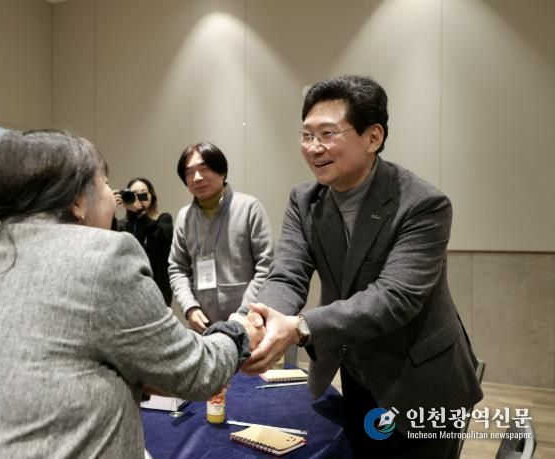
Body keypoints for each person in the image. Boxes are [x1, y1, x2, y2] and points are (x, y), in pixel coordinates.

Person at [0, 130, 263, 458]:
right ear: (78, 202)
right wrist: (239, 331)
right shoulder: (103, 255)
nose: (113, 197)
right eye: (106, 184)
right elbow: (196, 373)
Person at [241, 76, 483, 458]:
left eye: (327, 134)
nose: (313, 148)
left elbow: (394, 298)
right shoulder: (304, 201)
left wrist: (300, 328)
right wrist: (258, 320)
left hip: (422, 380)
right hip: (357, 371)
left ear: (373, 137)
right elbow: (287, 274)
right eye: (306, 135)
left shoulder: (423, 204)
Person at [168, 142, 274, 333]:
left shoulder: (249, 208)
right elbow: (177, 268)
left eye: (204, 169)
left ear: (222, 171)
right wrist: (190, 307)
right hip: (204, 327)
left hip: (248, 324)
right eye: (189, 172)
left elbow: (266, 266)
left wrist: (244, 314)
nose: (197, 177)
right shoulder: (185, 217)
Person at [114, 177, 173, 306]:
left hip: (157, 290)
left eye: (143, 193)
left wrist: (141, 212)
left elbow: (162, 241)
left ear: (152, 196)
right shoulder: (122, 225)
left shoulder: (163, 219)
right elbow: (112, 247)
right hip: (128, 291)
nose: (138, 198)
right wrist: (111, 209)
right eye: (134, 194)